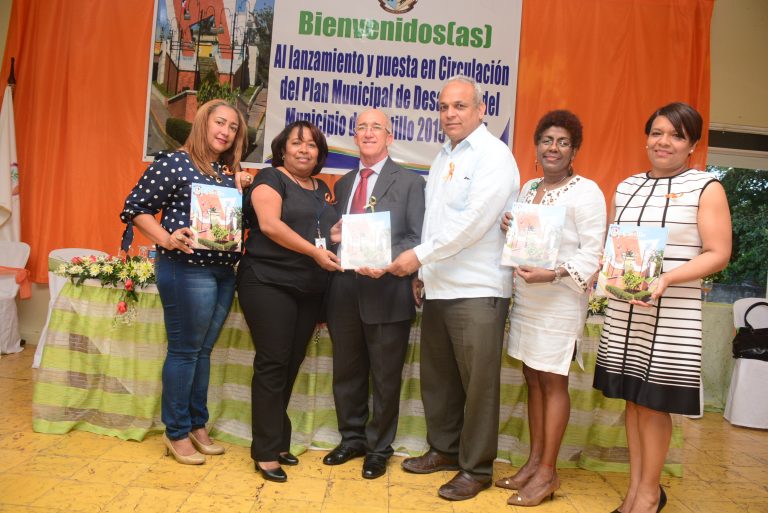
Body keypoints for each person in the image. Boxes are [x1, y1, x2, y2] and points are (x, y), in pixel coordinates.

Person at [593, 102, 731, 513]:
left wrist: (668, 278)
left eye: (676, 135)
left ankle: (649, 496)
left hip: (672, 315)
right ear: (646, 137)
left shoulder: (706, 187)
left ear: (691, 144)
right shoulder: (627, 185)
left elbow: (719, 252)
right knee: (634, 402)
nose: (663, 141)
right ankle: (637, 489)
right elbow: (616, 245)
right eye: (656, 132)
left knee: (653, 405)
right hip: (626, 310)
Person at [386, 76, 520, 501]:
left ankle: (476, 468)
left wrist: (418, 257)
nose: (450, 114)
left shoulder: (494, 156)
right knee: (439, 381)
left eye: (459, 106)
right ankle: (443, 450)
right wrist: (425, 274)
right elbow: (436, 221)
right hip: (440, 287)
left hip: (479, 289)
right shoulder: (444, 155)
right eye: (444, 107)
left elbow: (475, 222)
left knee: (478, 385)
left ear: (480, 111)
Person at [120, 99, 250, 465]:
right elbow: (135, 207)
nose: (226, 131)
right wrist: (165, 238)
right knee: (185, 350)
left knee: (202, 351)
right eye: (219, 123)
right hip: (186, 268)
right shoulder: (175, 163)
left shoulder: (225, 174)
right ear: (202, 124)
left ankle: (197, 423)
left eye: (233, 127)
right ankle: (175, 431)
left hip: (224, 271)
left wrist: (241, 187)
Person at [495, 111, 606, 506]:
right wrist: (512, 225)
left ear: (574, 148)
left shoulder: (586, 192)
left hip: (559, 298)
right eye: (546, 140)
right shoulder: (528, 188)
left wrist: (554, 273)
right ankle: (532, 463)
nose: (553, 148)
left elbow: (593, 254)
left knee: (553, 380)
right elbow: (527, 238)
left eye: (562, 141)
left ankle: (547, 474)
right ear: (536, 146)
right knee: (532, 376)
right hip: (527, 297)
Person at [237, 120, 343, 483]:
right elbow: (270, 225)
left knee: (291, 363)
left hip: (308, 288)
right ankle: (265, 451)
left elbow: (318, 232)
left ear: (319, 154)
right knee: (273, 362)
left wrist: (337, 235)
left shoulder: (320, 189)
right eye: (297, 143)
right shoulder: (270, 178)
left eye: (311, 145)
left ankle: (278, 439)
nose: (304, 150)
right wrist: (316, 253)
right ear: (283, 148)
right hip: (267, 281)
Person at [322, 109, 425, 479]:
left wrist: (390, 263)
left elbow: (417, 238)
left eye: (376, 127)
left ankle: (379, 448)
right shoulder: (345, 182)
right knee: (347, 372)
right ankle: (351, 439)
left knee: (385, 377)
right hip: (345, 289)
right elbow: (338, 233)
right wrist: (334, 236)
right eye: (362, 127)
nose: (368, 133)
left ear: (390, 136)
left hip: (387, 288)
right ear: (354, 135)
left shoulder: (412, 183)